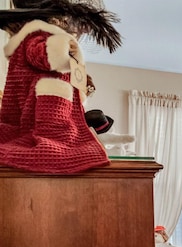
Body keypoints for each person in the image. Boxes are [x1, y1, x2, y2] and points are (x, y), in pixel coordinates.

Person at [0, 0, 121, 173]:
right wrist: (65, 47)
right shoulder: (40, 36)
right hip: (46, 121)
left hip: (39, 113)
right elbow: (47, 57)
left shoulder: (31, 38)